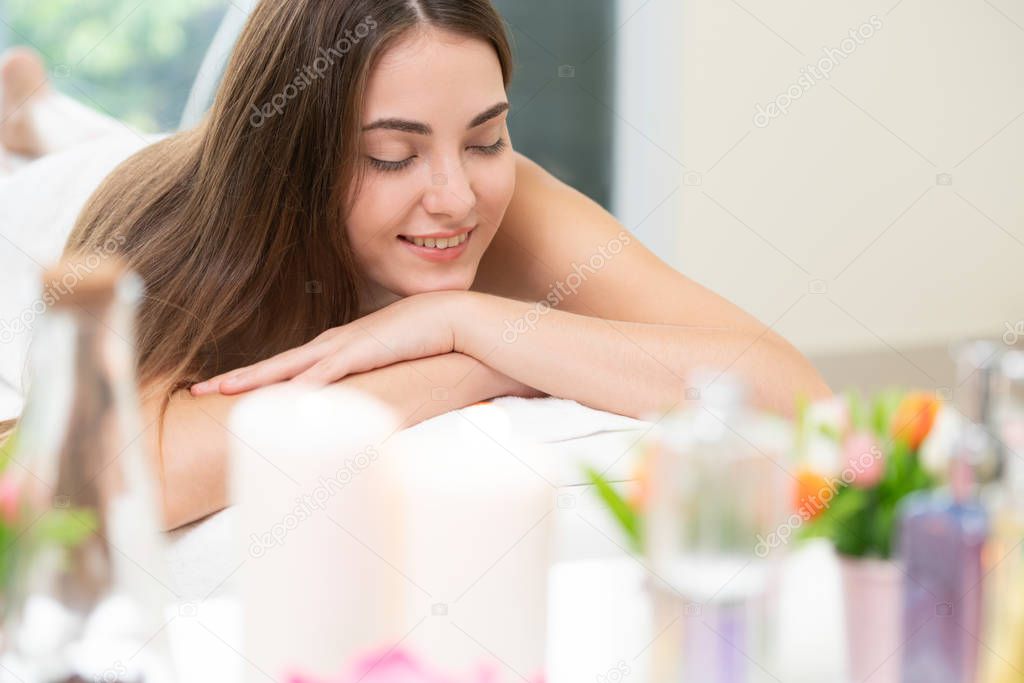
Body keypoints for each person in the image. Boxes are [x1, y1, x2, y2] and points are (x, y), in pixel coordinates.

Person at [0, 0, 831, 529]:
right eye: (394, 155)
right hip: (56, 203)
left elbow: (793, 394)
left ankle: (37, 110)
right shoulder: (181, 236)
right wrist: (470, 368)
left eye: (486, 137)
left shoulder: (498, 195)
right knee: (61, 164)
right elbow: (103, 478)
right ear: (295, 162)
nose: (457, 197)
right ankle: (36, 126)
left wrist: (467, 319)